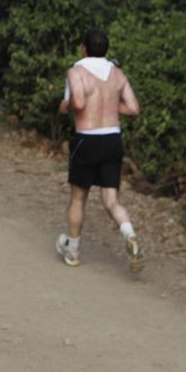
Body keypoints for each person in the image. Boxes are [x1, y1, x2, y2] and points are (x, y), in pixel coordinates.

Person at [56, 29, 144, 273]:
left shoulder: (76, 71)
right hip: (113, 139)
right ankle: (130, 234)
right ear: (105, 49)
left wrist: (67, 105)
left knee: (78, 196)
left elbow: (80, 104)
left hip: (87, 140)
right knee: (111, 200)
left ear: (84, 48)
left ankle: (72, 249)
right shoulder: (117, 74)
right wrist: (111, 107)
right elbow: (134, 108)